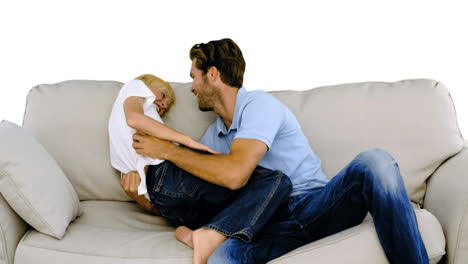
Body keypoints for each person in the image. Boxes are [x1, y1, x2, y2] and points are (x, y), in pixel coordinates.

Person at [130, 38, 430, 264]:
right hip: (265, 225)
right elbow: (191, 198)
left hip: (315, 205)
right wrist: (140, 197)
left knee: (375, 162)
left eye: (194, 76)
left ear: (213, 74)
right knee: (222, 258)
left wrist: (166, 150)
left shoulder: (259, 106)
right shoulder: (212, 137)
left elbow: (235, 174)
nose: (191, 87)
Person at [108, 74, 292, 264]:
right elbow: (134, 118)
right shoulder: (135, 86)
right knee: (277, 181)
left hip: (168, 204)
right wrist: (187, 141)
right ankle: (211, 235)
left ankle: (198, 232)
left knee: (256, 204)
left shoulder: (125, 147)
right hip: (167, 176)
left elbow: (151, 189)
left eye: (166, 105)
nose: (162, 104)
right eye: (162, 95)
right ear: (147, 84)